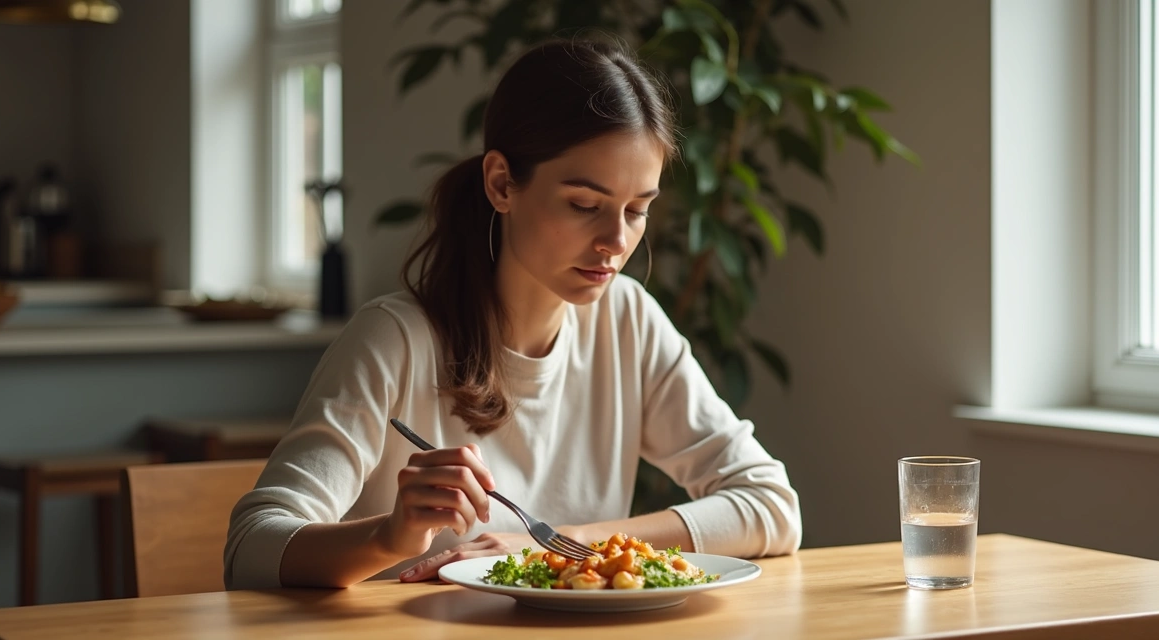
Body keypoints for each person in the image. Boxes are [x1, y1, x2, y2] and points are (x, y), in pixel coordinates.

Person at [224, 37, 802, 590]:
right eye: (584, 205)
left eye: (638, 210)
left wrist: (565, 545)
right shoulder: (395, 339)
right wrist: (391, 536)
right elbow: (250, 550)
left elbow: (771, 506)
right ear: (502, 183)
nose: (615, 241)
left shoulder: (629, 320)